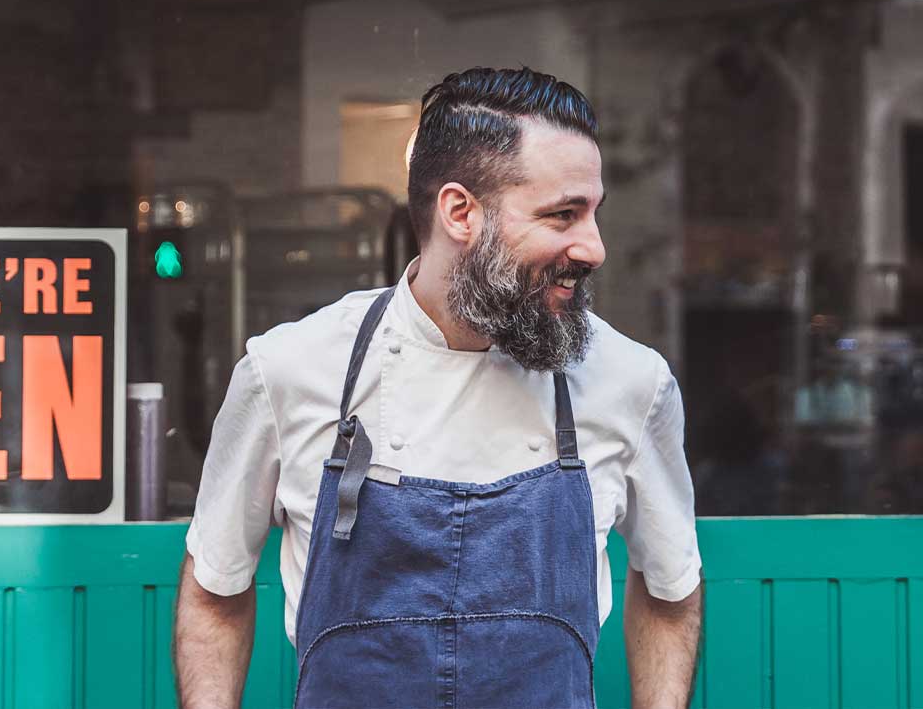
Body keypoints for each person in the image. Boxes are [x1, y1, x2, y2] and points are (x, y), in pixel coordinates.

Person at [173, 66, 703, 708]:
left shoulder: (629, 380)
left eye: (593, 214)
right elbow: (213, 591)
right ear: (460, 212)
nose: (592, 247)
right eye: (563, 215)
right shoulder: (289, 369)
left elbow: (672, 590)